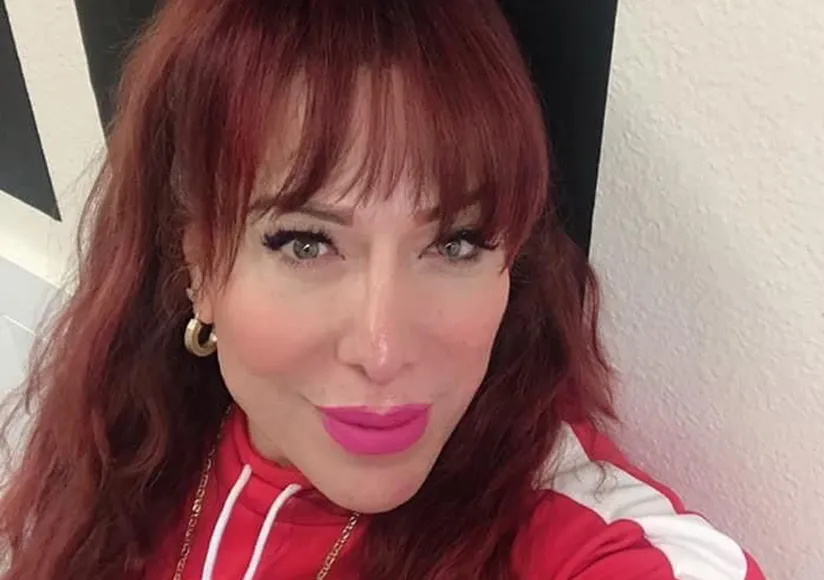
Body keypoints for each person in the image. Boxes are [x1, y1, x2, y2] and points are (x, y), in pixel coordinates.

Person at [0, 0, 766, 578]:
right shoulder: (122, 440)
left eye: (455, 242)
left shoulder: (573, 531)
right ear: (197, 265)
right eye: (306, 243)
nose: (383, 349)